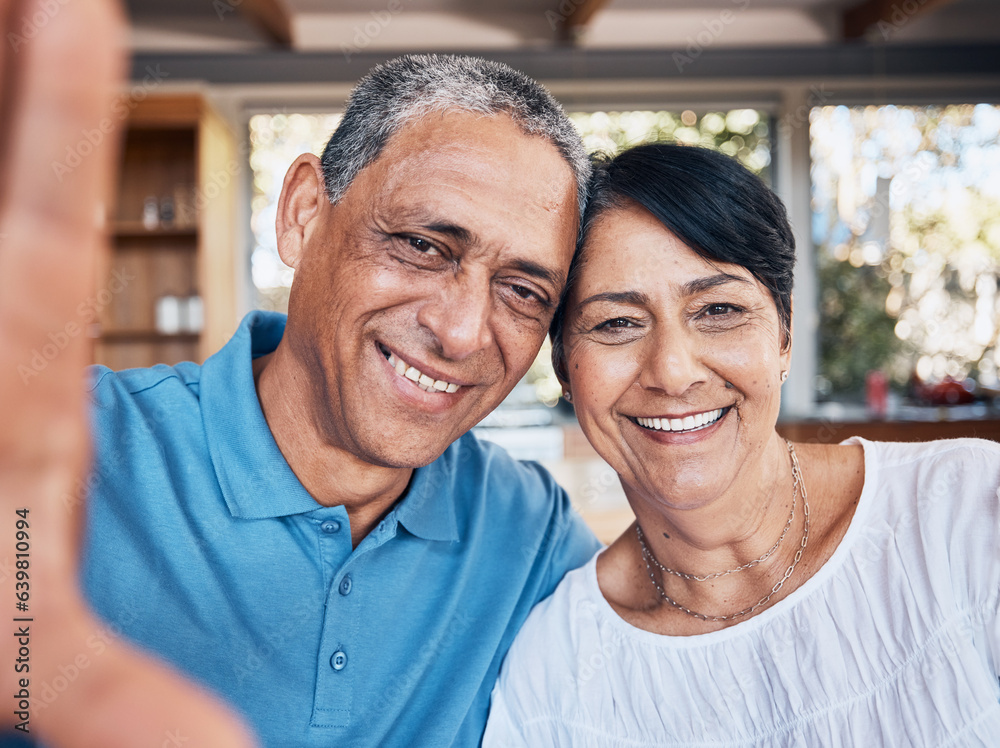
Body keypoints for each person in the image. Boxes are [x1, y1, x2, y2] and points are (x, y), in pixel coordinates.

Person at [0, 3, 601, 745]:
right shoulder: (67, 456)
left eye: (523, 291)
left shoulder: (524, 527)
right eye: (420, 244)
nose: (462, 331)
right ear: (304, 214)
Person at [484, 142, 1000, 746]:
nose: (673, 373)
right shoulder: (554, 671)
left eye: (719, 309)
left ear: (782, 337)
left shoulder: (967, 513)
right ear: (566, 370)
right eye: (617, 323)